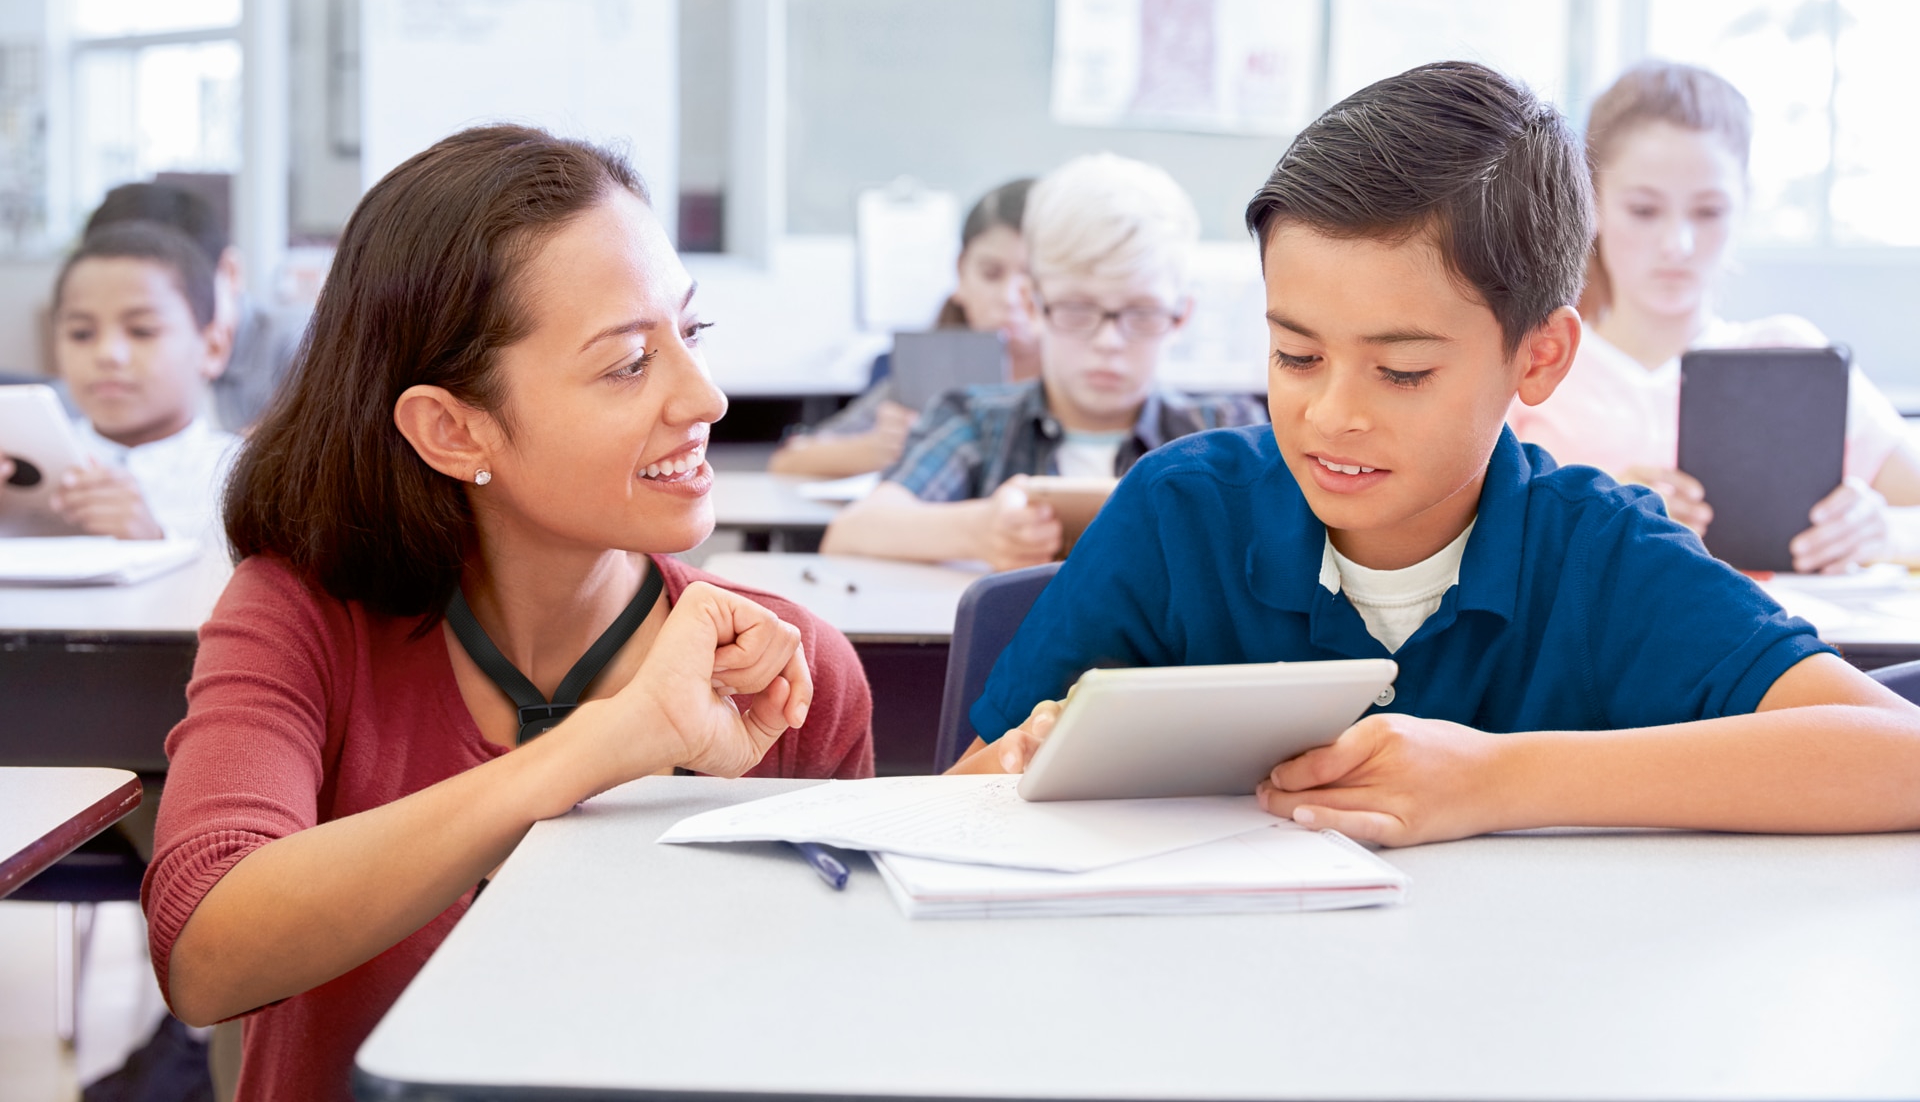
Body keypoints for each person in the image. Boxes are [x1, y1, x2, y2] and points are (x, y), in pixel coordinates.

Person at [951, 62, 1920, 851]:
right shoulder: (1181, 516)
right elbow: (956, 798)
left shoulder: (1599, 550)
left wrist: (1497, 778)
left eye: (1402, 370)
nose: (1333, 413)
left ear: (1537, 357)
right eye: (1296, 353)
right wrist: (1017, 766)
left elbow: (1900, 753)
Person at [140, 126, 874, 1101]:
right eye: (627, 364)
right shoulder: (303, 616)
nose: (705, 396)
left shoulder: (785, 668)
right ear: (453, 428)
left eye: (688, 336)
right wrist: (609, 743)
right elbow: (206, 947)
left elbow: (824, 1023)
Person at [1508, 62, 1920, 572]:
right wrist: (1601, 513)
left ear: (1743, 204)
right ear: (1591, 202)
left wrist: (1882, 529)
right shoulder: (1536, 365)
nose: (1677, 245)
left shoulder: (1787, 358)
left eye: (1708, 212)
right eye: (1643, 210)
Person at [819, 153, 1265, 570]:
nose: (1109, 341)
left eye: (1141, 314)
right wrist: (977, 531)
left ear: (1180, 316)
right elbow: (851, 531)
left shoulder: (1229, 433)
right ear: (1034, 306)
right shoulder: (976, 422)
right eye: (1077, 310)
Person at [769, 178, 1042, 478]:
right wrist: (876, 447)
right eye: (991, 274)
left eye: (1034, 277)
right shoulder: (932, 371)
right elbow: (788, 461)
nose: (1010, 297)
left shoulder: (1087, 375)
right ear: (960, 273)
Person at [1, 220, 238, 542]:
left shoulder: (246, 477)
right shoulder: (20, 464)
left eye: (142, 330)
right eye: (81, 334)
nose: (108, 354)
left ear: (212, 348)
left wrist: (155, 539)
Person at [87, 181, 306, 432]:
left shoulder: (304, 346)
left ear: (230, 273)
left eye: (142, 327)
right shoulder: (103, 373)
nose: (113, 351)